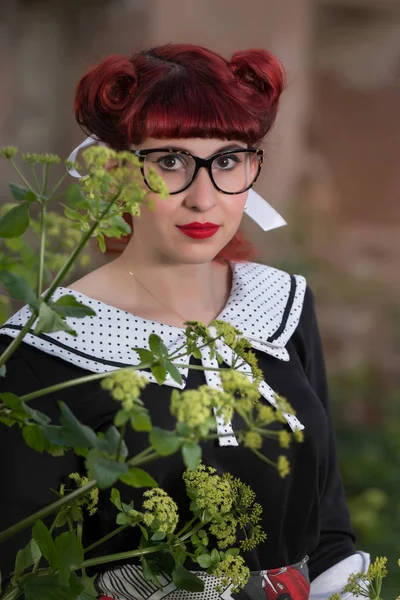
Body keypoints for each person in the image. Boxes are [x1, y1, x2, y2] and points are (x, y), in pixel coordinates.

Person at [0, 44, 369, 600]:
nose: (204, 198)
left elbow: (328, 529)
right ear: (115, 172)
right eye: (170, 161)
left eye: (228, 160)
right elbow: (23, 577)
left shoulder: (282, 304)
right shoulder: (43, 346)